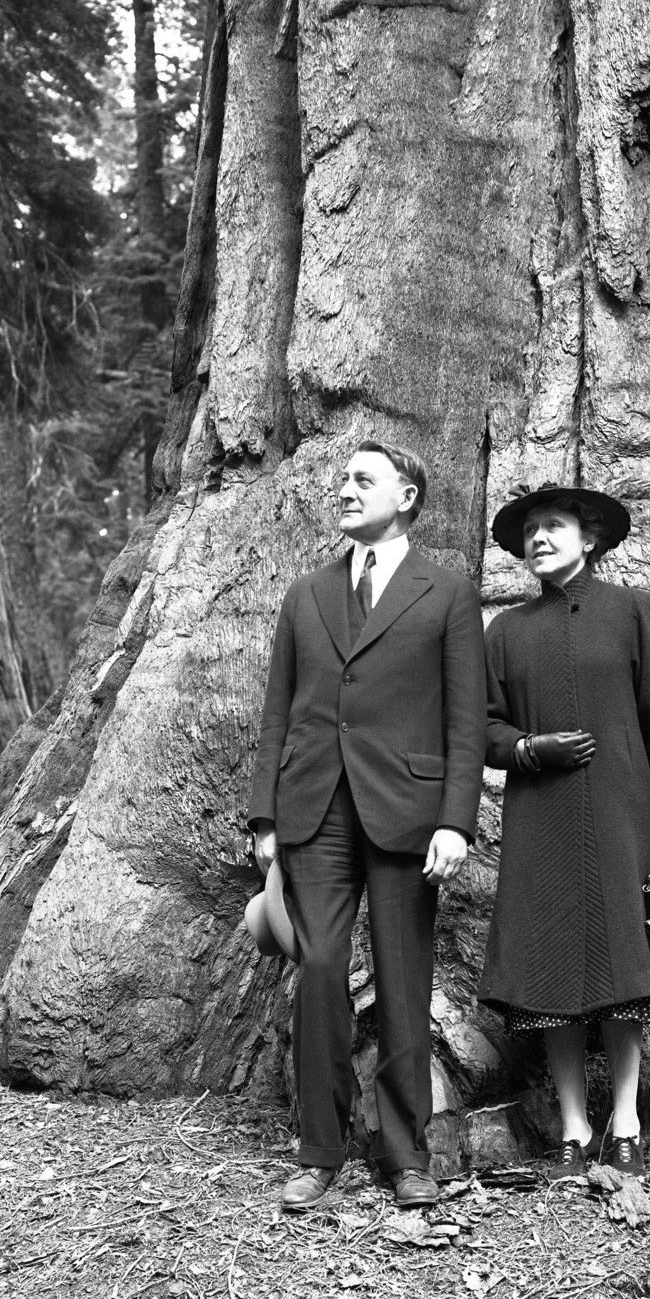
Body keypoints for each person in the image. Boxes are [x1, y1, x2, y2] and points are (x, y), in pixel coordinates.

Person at [249, 441, 486, 1212]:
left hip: (409, 817)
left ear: (407, 494)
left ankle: (404, 1153)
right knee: (318, 970)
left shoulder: (446, 593)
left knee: (402, 980)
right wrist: (264, 818)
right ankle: (318, 1150)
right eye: (342, 479)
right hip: (313, 812)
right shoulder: (305, 594)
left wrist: (456, 820)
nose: (344, 489)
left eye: (362, 478)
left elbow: (464, 720)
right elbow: (276, 714)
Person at [476, 483, 650, 1178]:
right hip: (540, 816)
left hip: (619, 812)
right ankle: (573, 1124)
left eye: (554, 526)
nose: (539, 537)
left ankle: (623, 1119)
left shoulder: (631, 611)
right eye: (530, 529)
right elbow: (483, 727)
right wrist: (530, 749)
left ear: (588, 537)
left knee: (624, 963)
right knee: (549, 969)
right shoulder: (505, 631)